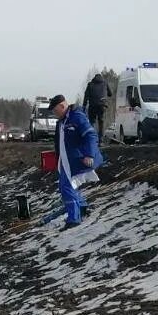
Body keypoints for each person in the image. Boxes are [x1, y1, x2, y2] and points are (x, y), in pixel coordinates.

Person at [50, 94, 104, 229]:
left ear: (63, 106)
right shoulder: (61, 122)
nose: (55, 115)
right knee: (64, 187)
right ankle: (82, 207)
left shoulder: (77, 117)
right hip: (65, 161)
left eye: (56, 111)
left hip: (77, 159)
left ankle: (74, 219)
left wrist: (89, 155)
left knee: (68, 188)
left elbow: (90, 135)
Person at [84, 74, 112, 138]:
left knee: (92, 122)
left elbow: (86, 96)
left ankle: (92, 138)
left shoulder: (90, 84)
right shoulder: (105, 83)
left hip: (92, 106)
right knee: (101, 122)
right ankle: (100, 140)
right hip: (102, 105)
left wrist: (84, 106)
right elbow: (110, 94)